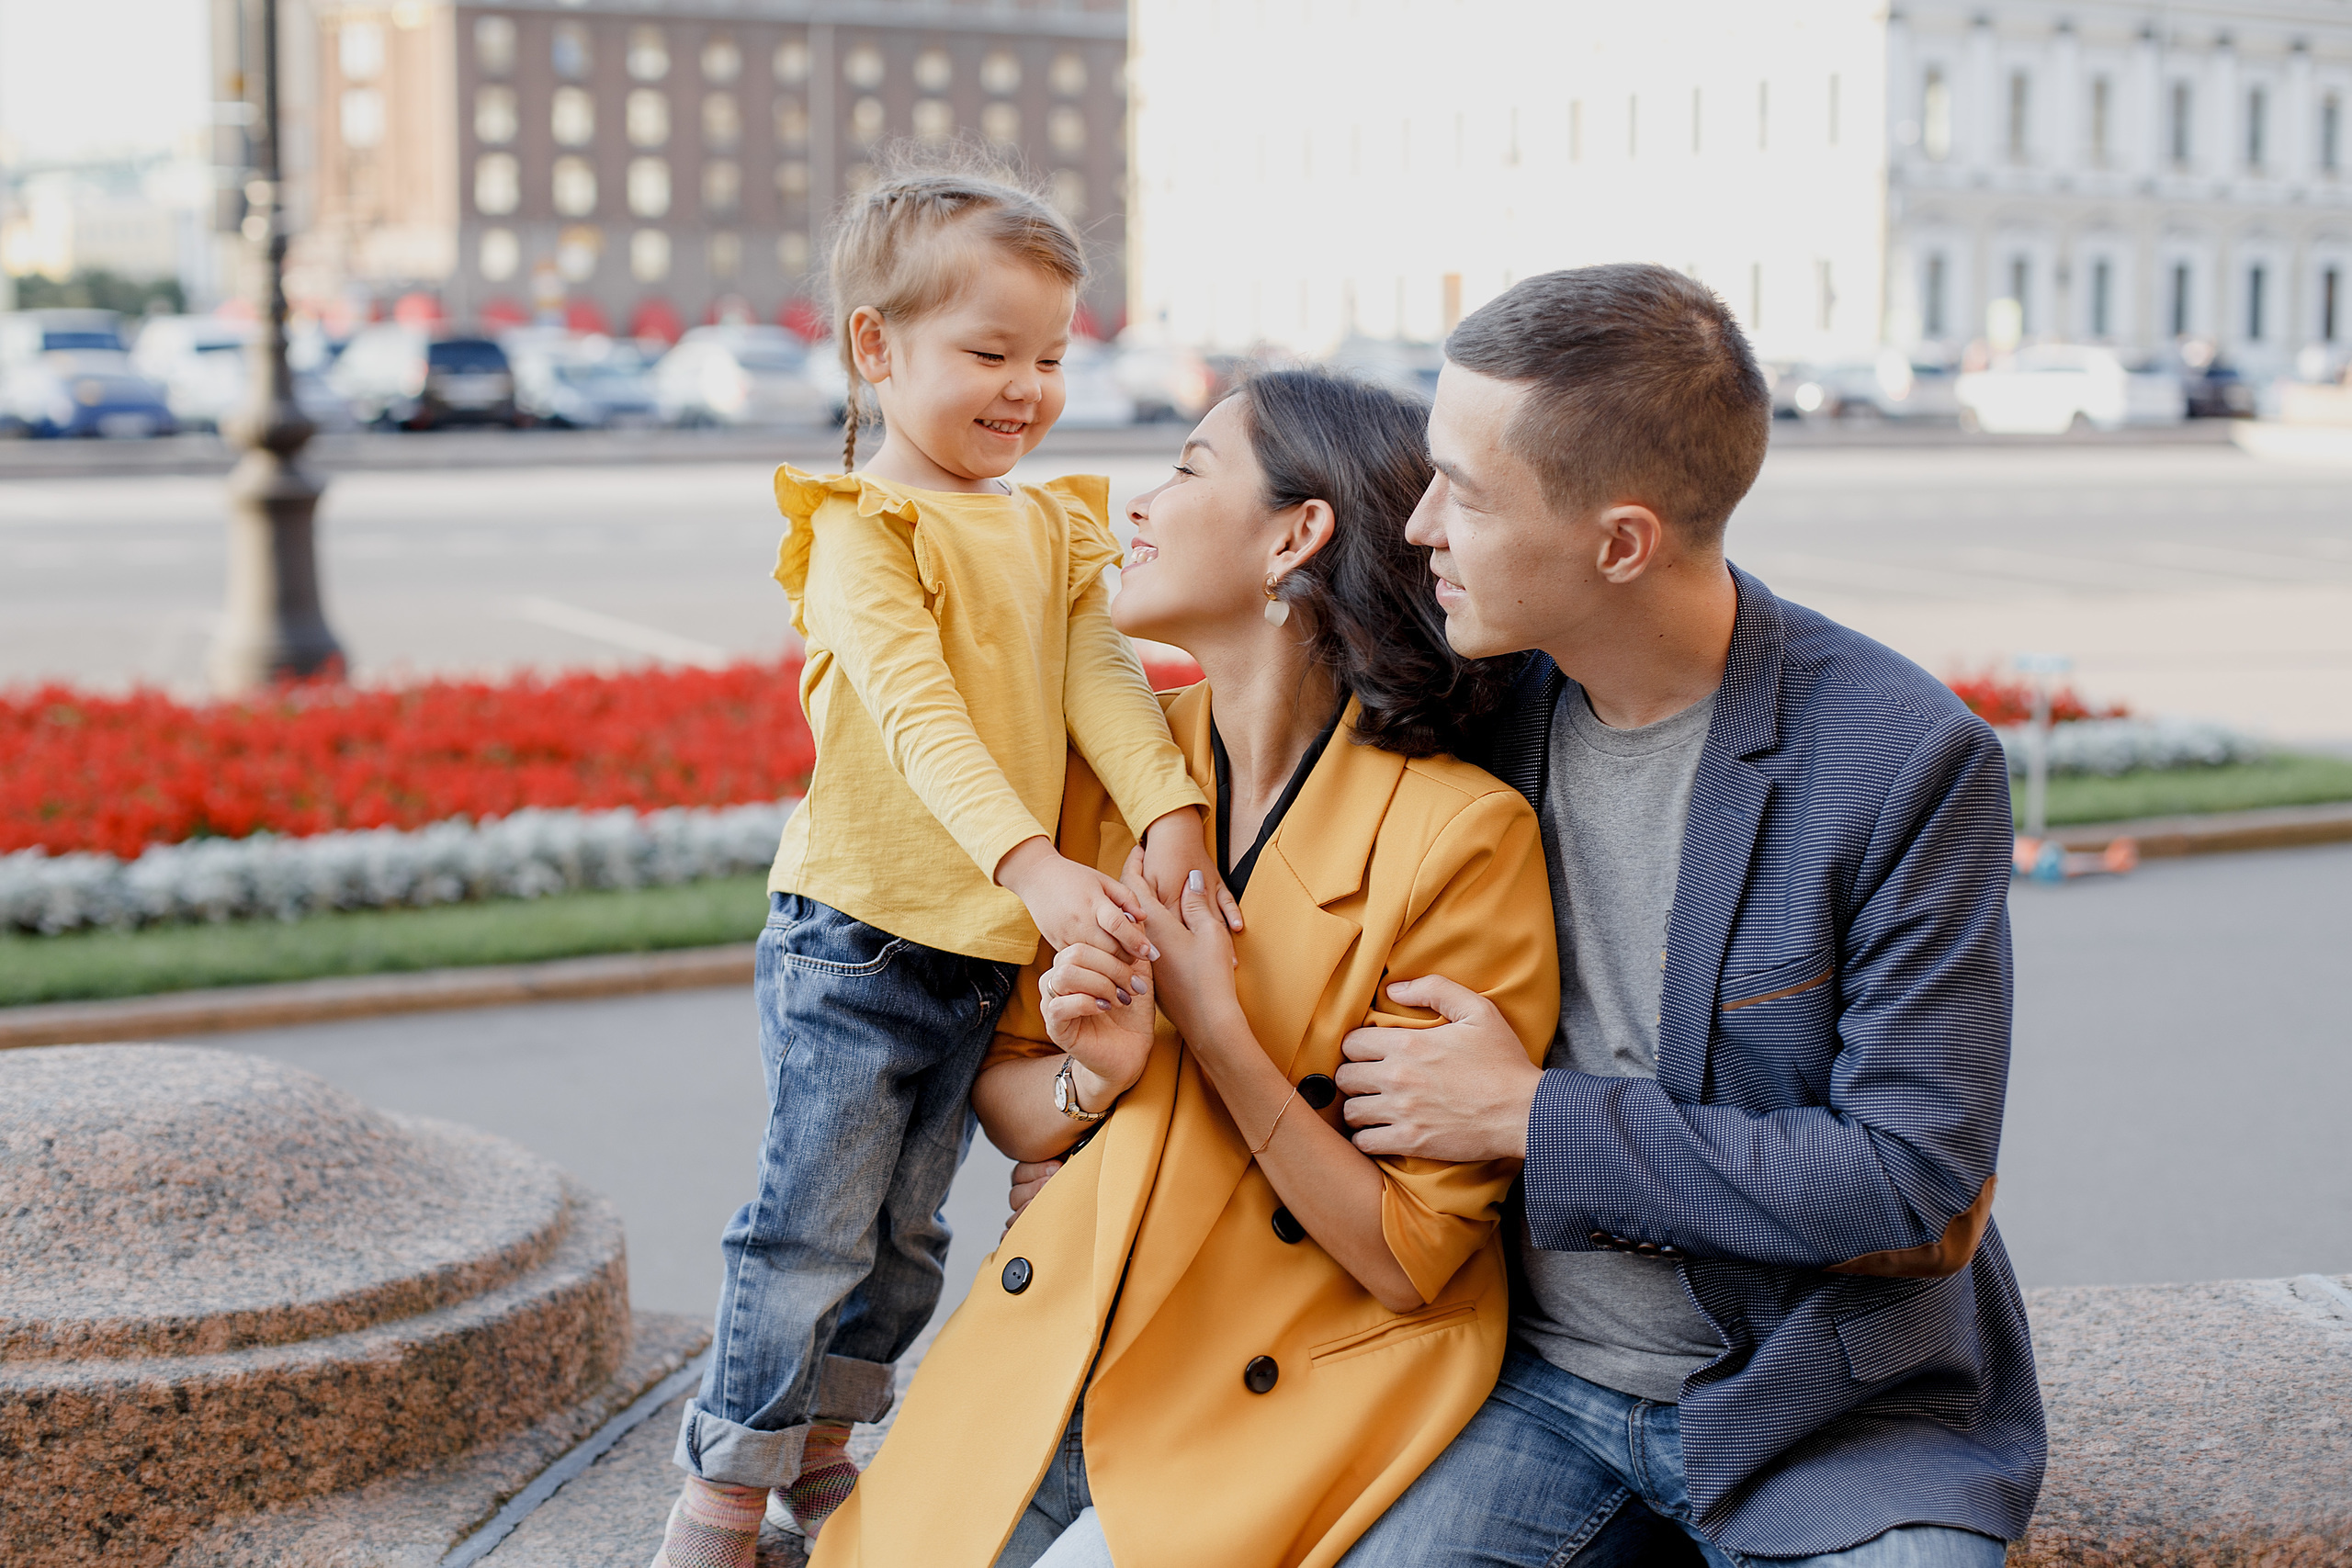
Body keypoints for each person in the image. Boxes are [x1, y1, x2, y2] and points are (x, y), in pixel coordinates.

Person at [1333, 264, 2042, 1567]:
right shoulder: (1482, 706)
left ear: (1621, 542)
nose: (1423, 524)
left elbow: (1908, 1183)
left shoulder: (1900, 760)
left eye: (1468, 495)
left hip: (1833, 1410)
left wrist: (1525, 1114)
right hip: (1526, 1383)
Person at [808, 368, 1560, 1568]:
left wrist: (1214, 1031)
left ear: (1295, 535)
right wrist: (1094, 1082)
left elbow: (1408, 1255)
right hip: (1080, 1328)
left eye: (1189, 469)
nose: (1136, 504)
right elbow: (1011, 1101)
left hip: (1291, 1376)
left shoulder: (1456, 839)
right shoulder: (1118, 761)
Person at [650, 159, 1227, 1568]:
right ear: (875, 348)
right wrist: (1036, 867)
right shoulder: (862, 527)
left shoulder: (1046, 522)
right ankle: (721, 1492)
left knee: (905, 1241)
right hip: (856, 937)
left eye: (1050, 355)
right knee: (807, 1232)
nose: (1027, 387)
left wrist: (1168, 813)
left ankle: (825, 1460)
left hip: (974, 953)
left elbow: (1100, 676)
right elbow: (919, 720)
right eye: (988, 353)